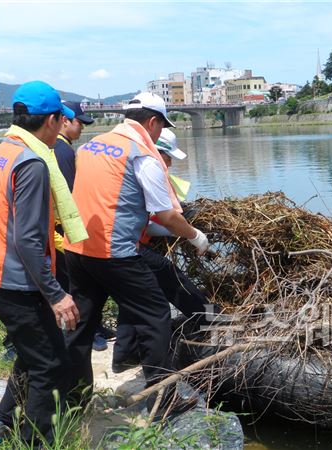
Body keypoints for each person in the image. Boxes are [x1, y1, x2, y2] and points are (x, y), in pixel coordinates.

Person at [62, 93, 210, 409]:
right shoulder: (142, 154)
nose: (158, 134)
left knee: (82, 326)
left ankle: (73, 401)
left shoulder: (91, 145)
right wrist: (196, 237)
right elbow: (168, 216)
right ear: (153, 122)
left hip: (76, 250)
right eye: (161, 127)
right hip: (114, 253)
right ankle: (164, 401)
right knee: (155, 316)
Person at [0, 81, 84, 445]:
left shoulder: (3, 151)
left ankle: (2, 422)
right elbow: (28, 240)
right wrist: (56, 293)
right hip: (18, 282)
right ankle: (34, 441)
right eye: (61, 118)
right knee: (51, 365)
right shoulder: (32, 163)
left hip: (0, 276)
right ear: (51, 120)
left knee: (33, 356)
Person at [112, 128, 218, 372]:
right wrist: (193, 235)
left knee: (132, 298)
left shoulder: (129, 166)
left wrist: (173, 230)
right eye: (168, 157)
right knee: (167, 281)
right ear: (158, 153)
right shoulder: (148, 168)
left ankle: (124, 355)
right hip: (126, 245)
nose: (170, 163)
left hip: (114, 244)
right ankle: (208, 318)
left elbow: (148, 220)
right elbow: (165, 217)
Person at [52, 101, 108, 352]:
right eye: (80, 123)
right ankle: (89, 333)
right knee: (77, 286)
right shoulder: (62, 152)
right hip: (64, 230)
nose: (82, 129)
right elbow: (68, 194)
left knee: (82, 283)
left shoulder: (62, 148)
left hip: (65, 228)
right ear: (65, 120)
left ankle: (95, 327)